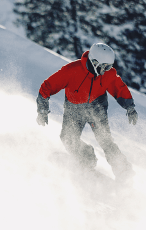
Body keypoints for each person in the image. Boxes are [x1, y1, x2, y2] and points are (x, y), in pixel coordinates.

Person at [36, 43, 138, 182]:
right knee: (68, 138)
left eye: (109, 67)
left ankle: (124, 172)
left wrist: (130, 107)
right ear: (94, 62)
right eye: (105, 67)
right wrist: (42, 109)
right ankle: (86, 158)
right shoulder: (72, 70)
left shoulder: (108, 74)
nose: (107, 70)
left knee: (105, 140)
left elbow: (119, 88)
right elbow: (48, 86)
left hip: (97, 108)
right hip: (74, 109)